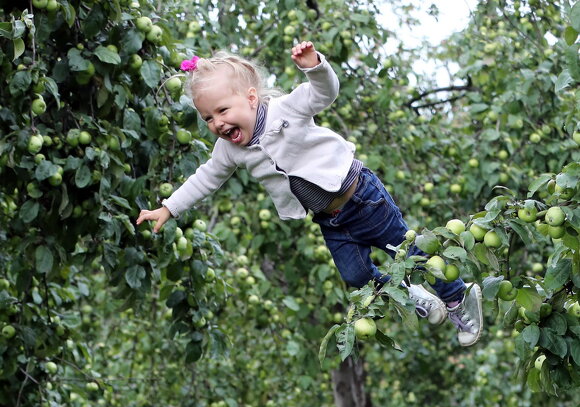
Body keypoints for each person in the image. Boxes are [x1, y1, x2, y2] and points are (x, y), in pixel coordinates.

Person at [136, 40, 483, 347]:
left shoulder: (286, 109)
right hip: (331, 221)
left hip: (363, 198)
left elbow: (325, 93)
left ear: (251, 98)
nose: (217, 124)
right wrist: (169, 208)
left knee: (412, 252)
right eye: (208, 118)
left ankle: (458, 297)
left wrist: (315, 68)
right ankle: (409, 293)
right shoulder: (230, 150)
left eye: (223, 110)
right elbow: (205, 178)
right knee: (356, 277)